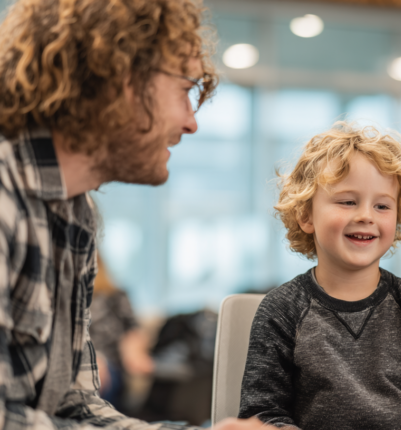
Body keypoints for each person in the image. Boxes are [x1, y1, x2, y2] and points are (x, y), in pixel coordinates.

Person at [0, 0, 274, 429]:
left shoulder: (76, 212)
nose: (191, 122)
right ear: (120, 75)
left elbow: (74, 404)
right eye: (186, 90)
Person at [238, 122, 401, 429]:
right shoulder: (281, 309)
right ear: (306, 215)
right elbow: (262, 414)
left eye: (382, 205)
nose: (366, 216)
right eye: (348, 201)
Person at [90, 256, 154, 413]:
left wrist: (135, 353)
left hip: (110, 366)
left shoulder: (115, 296)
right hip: (76, 364)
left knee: (96, 374)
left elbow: (133, 330)